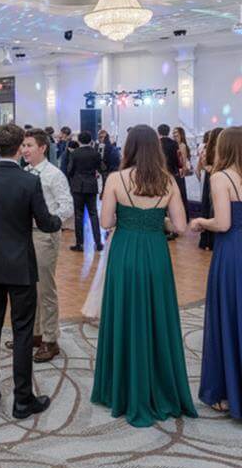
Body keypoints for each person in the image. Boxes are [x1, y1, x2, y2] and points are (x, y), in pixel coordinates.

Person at [91, 124, 196, 428]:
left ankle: (120, 389)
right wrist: (157, 218)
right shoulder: (168, 182)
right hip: (155, 252)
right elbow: (180, 227)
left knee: (123, 314)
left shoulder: (115, 179)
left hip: (124, 251)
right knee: (156, 314)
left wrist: (130, 218)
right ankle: (160, 384)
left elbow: (106, 221)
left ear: (130, 148)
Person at [0, 123, 61, 419]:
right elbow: (45, 222)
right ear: (20, 147)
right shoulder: (28, 182)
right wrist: (57, 223)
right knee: (21, 330)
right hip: (21, 265)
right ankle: (22, 399)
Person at [190, 126, 242, 419]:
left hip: (232, 252)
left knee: (229, 315)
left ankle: (226, 392)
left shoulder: (222, 177)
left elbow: (222, 223)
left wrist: (200, 222)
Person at [19, 129, 73, 362]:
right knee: (30, 287)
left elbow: (67, 205)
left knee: (46, 289)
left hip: (44, 235)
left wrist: (52, 222)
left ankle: (51, 339)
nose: (24, 150)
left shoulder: (53, 175)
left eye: (29, 145)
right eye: (23, 145)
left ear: (42, 148)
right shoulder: (25, 172)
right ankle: (36, 334)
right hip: (25, 235)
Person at [67, 131, 102, 252]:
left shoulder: (75, 153)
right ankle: (98, 242)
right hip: (92, 185)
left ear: (79, 141)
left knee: (78, 215)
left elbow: (70, 170)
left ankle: (80, 244)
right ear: (90, 140)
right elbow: (101, 168)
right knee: (93, 214)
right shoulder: (95, 153)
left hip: (78, 186)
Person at [199, 128, 224, 250]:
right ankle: (212, 241)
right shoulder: (221, 150)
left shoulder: (206, 149)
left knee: (208, 207)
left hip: (209, 180)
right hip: (217, 179)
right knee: (216, 208)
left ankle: (206, 241)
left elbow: (203, 165)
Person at [173, 126, 192, 219]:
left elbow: (184, 161)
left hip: (180, 173)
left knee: (181, 195)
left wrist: (183, 171)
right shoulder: (174, 145)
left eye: (176, 132)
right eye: (173, 132)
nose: (174, 134)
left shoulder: (182, 145)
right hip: (176, 172)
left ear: (181, 134)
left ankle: (184, 218)